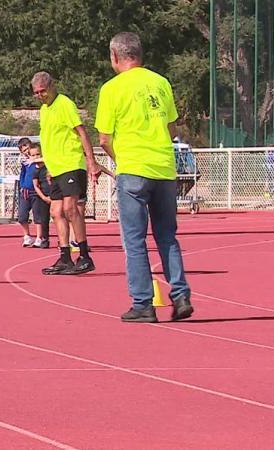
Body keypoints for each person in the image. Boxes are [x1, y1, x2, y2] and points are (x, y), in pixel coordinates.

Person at [95, 31, 193, 323]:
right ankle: (180, 294)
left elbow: (103, 138)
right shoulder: (161, 83)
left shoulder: (112, 89)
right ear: (140, 54)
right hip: (163, 167)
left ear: (115, 56)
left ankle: (143, 303)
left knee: (135, 240)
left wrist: (121, 158)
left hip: (133, 169)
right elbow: (171, 128)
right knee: (167, 236)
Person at [31, 71, 102, 275]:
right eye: (36, 93)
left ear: (52, 86)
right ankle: (64, 257)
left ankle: (84, 255)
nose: (40, 96)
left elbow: (81, 132)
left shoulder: (64, 104)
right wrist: (49, 167)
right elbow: (49, 138)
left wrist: (91, 160)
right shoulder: (45, 110)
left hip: (71, 163)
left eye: (42, 91)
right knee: (55, 212)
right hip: (56, 167)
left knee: (72, 209)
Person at [15, 137, 38, 246]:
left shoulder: (38, 159)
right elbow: (22, 175)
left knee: (38, 216)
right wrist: (22, 186)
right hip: (25, 191)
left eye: (28, 149)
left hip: (37, 191)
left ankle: (40, 237)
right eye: (24, 151)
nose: (27, 152)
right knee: (22, 216)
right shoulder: (24, 162)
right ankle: (27, 235)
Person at [29, 142, 51, 249]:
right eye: (33, 155)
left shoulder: (49, 165)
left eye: (38, 154)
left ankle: (63, 241)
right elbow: (36, 186)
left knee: (60, 218)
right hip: (43, 197)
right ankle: (45, 239)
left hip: (55, 196)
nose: (36, 157)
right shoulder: (35, 170)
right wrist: (43, 197)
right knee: (44, 219)